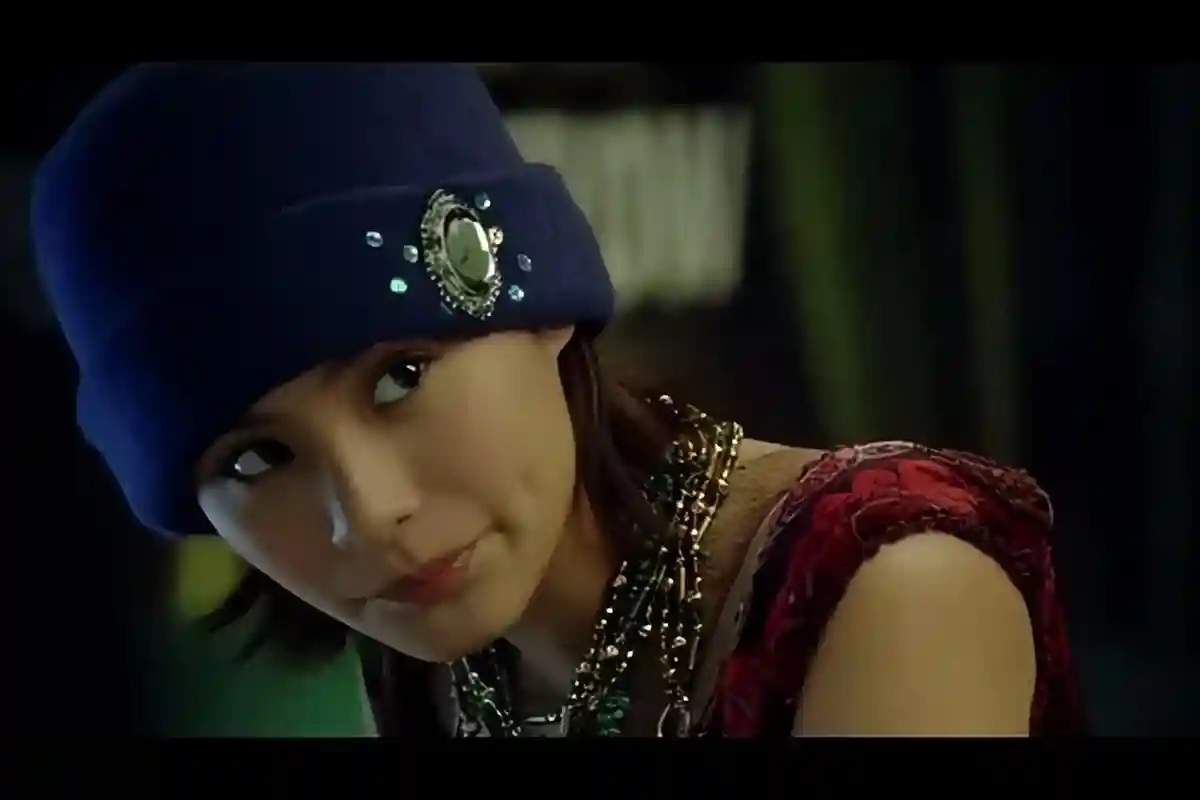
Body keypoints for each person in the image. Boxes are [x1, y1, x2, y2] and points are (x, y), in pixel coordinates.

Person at [31, 63, 1087, 737]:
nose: (370, 514)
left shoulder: (886, 580)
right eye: (256, 459)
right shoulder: (434, 660)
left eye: (401, 376)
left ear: (540, 305)